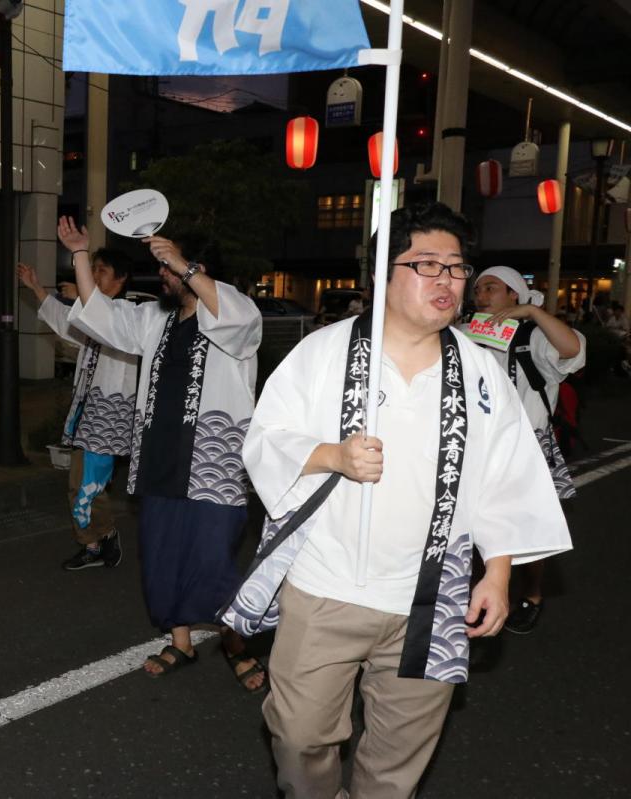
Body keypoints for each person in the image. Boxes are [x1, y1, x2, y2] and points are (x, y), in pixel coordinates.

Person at [224, 202, 573, 799]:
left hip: (432, 597)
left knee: (400, 756)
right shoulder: (324, 353)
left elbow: (505, 475)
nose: (447, 281)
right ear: (385, 273)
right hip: (325, 584)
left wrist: (497, 572)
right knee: (300, 735)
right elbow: (265, 440)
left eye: (457, 269)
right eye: (427, 265)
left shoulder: (481, 371)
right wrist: (332, 456)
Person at [61, 217, 267, 692]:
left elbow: (234, 319)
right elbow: (100, 313)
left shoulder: (235, 307)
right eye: (166, 269)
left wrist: (178, 259)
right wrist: (78, 253)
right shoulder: (154, 317)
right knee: (162, 553)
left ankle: (236, 643)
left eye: (173, 270)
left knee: (211, 557)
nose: (165, 278)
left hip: (214, 461)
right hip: (158, 455)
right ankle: (182, 640)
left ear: (197, 267)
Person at [471, 266, 585, 634]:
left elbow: (572, 349)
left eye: (492, 287)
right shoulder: (464, 334)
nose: (482, 294)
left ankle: (531, 594)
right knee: (472, 523)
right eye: (477, 289)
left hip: (526, 446)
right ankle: (479, 588)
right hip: (477, 445)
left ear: (514, 295)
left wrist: (534, 313)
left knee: (524, 527)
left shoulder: (533, 336)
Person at [16, 248, 137, 570]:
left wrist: (83, 300)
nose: (94, 276)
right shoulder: (94, 315)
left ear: (121, 279)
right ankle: (99, 541)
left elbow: (102, 319)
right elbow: (63, 322)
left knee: (84, 484)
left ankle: (100, 540)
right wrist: (37, 289)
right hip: (89, 413)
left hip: (109, 416)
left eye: (102, 270)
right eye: (92, 269)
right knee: (86, 484)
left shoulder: (126, 314)